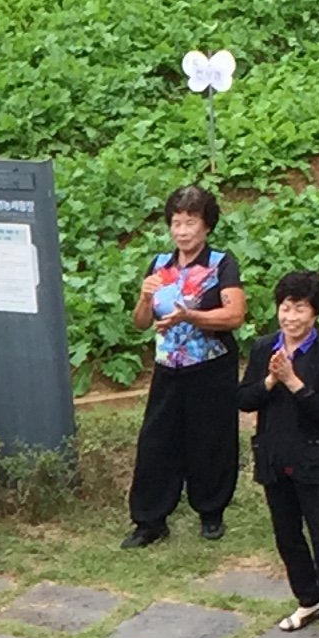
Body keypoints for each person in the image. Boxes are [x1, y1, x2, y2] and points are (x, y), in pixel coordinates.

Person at [122, 186, 247, 548]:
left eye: (190, 222)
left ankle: (211, 512)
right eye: (176, 222)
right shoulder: (159, 266)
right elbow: (141, 323)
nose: (182, 230)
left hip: (210, 368)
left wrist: (190, 315)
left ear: (206, 226)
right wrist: (146, 297)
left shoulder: (222, 264)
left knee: (210, 439)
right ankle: (150, 521)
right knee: (156, 443)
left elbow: (234, 315)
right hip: (168, 369)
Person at [238, 268, 319, 638]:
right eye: (285, 308)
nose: (290, 317)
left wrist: (292, 381)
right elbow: (244, 399)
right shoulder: (263, 348)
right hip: (274, 455)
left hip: (313, 458)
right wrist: (270, 380)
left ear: (314, 313)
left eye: (299, 309)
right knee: (287, 536)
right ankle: (308, 599)